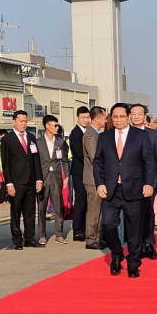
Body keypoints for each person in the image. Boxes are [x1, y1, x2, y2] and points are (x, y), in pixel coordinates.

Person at [93, 103, 157, 278]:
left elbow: (149, 163)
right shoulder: (104, 137)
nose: (118, 120)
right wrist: (99, 183)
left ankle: (133, 262)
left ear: (128, 117)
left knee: (134, 229)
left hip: (135, 188)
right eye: (115, 117)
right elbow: (98, 162)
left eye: (122, 116)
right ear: (110, 118)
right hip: (111, 189)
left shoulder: (141, 136)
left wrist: (149, 183)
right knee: (108, 224)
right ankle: (116, 253)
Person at [0, 110, 43, 249]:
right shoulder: (7, 139)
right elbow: (5, 162)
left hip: (31, 180)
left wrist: (39, 179)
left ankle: (29, 238)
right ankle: (17, 239)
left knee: (30, 211)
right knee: (16, 211)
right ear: (14, 121)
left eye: (25, 121)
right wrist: (9, 183)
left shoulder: (30, 137)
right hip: (16, 181)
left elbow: (36, 159)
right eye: (21, 121)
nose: (23, 124)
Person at [129, 104, 157, 259]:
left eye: (139, 114)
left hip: (149, 180)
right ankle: (136, 246)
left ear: (144, 116)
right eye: (133, 113)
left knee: (148, 212)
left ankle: (148, 243)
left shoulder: (153, 135)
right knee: (133, 214)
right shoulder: (124, 134)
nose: (136, 116)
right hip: (130, 181)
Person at [36, 115, 69, 244]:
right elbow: (35, 162)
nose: (57, 127)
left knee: (58, 206)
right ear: (47, 126)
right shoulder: (38, 142)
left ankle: (59, 234)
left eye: (57, 125)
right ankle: (42, 236)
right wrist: (37, 179)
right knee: (42, 207)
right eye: (54, 125)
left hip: (56, 177)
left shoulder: (60, 142)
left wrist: (66, 176)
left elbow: (65, 160)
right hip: (42, 178)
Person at [82, 106, 105, 250]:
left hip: (99, 178)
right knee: (94, 210)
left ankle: (98, 237)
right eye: (104, 117)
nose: (106, 119)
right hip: (92, 179)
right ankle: (91, 238)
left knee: (100, 210)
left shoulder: (97, 134)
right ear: (97, 119)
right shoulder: (90, 135)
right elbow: (95, 156)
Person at [69, 106, 90, 242]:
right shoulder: (75, 133)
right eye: (83, 117)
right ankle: (77, 231)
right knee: (80, 201)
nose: (85, 120)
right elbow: (79, 153)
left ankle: (84, 228)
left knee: (87, 201)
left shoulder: (89, 131)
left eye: (87, 117)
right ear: (77, 117)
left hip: (88, 171)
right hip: (79, 172)